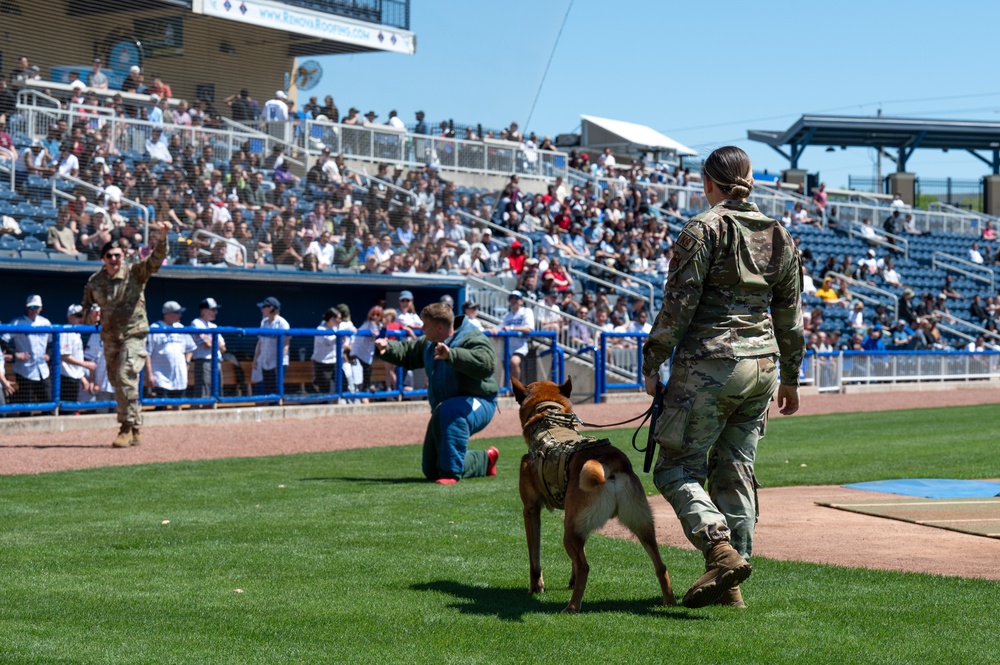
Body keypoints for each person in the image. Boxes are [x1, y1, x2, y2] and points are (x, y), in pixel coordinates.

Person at [641, 146, 804, 609]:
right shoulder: (781, 235)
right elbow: (790, 316)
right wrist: (791, 377)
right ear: (750, 180)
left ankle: (719, 550)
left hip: (711, 365)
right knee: (736, 471)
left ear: (707, 183)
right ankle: (732, 581)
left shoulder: (702, 229)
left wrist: (653, 362)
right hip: (764, 368)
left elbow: (678, 306)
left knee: (675, 467)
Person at [374, 302, 500, 484]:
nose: (422, 327)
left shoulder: (471, 336)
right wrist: (387, 349)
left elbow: (487, 364)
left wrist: (453, 355)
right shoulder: (429, 342)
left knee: (451, 412)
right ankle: (485, 460)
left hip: (480, 401)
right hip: (444, 410)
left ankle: (450, 474)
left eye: (426, 324)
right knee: (432, 469)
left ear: (439, 327)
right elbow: (409, 352)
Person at [81, 222, 171, 446]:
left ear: (123, 256)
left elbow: (155, 261)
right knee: (119, 383)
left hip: (134, 333)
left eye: (118, 255)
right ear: (103, 258)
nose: (114, 259)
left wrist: (163, 237)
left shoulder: (135, 273)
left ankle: (126, 427)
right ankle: (136, 427)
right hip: (110, 337)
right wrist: (90, 318)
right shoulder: (94, 282)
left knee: (125, 374)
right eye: (110, 255)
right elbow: (85, 311)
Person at [3, 295, 53, 405]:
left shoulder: (45, 322)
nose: (33, 310)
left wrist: (48, 355)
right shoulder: (17, 322)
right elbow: (3, 341)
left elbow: (52, 343)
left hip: (42, 370)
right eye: (31, 307)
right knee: (26, 405)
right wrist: (15, 354)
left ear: (41, 308)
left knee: (48, 402)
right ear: (26, 308)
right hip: (24, 370)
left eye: (36, 307)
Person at [146, 301, 197, 403]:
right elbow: (147, 353)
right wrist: (150, 374)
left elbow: (191, 347)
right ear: (167, 314)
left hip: (179, 376)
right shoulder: (155, 328)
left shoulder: (180, 327)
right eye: (177, 312)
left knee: (178, 404)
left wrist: (187, 362)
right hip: (161, 376)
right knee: (161, 405)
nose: (180, 315)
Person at [251, 296, 290, 395]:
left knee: (276, 389)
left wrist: (279, 362)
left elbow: (286, 344)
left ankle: (278, 407)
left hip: (277, 362)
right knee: (268, 389)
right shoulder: (264, 322)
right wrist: (255, 359)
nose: (262, 309)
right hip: (265, 361)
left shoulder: (282, 323)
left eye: (264, 307)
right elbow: (260, 342)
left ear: (271, 308)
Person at [190, 297, 226, 401]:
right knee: (203, 393)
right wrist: (216, 342)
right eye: (213, 310)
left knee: (217, 392)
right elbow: (207, 345)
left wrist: (212, 340)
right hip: (203, 361)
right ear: (204, 311)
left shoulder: (214, 326)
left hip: (217, 361)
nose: (216, 312)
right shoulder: (196, 323)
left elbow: (223, 348)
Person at [497, 290, 535, 384]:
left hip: (520, 346)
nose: (514, 300)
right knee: (507, 368)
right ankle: (509, 389)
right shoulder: (507, 315)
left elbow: (528, 328)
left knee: (514, 362)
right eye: (512, 298)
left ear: (521, 301)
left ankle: (515, 388)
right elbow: (499, 328)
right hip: (508, 347)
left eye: (516, 298)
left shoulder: (526, 311)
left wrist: (512, 328)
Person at [59, 304, 95, 404]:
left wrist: (81, 377)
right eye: (78, 316)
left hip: (74, 378)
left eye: (82, 316)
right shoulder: (66, 331)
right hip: (66, 378)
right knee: (66, 411)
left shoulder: (76, 332)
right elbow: (64, 356)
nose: (81, 319)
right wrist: (85, 364)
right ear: (69, 317)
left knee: (73, 408)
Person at [311, 307, 342, 396]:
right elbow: (328, 342)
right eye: (338, 318)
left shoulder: (335, 329)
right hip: (322, 363)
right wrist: (339, 338)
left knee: (342, 384)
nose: (340, 321)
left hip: (334, 362)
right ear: (332, 319)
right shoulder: (320, 329)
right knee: (324, 390)